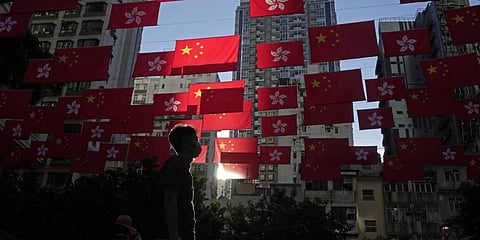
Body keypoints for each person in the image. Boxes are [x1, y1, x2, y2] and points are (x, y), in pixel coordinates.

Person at [158, 124, 201, 240]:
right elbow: (170, 199)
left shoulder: (183, 169)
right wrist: (173, 235)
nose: (198, 144)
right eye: (195, 140)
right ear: (186, 142)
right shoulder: (176, 164)